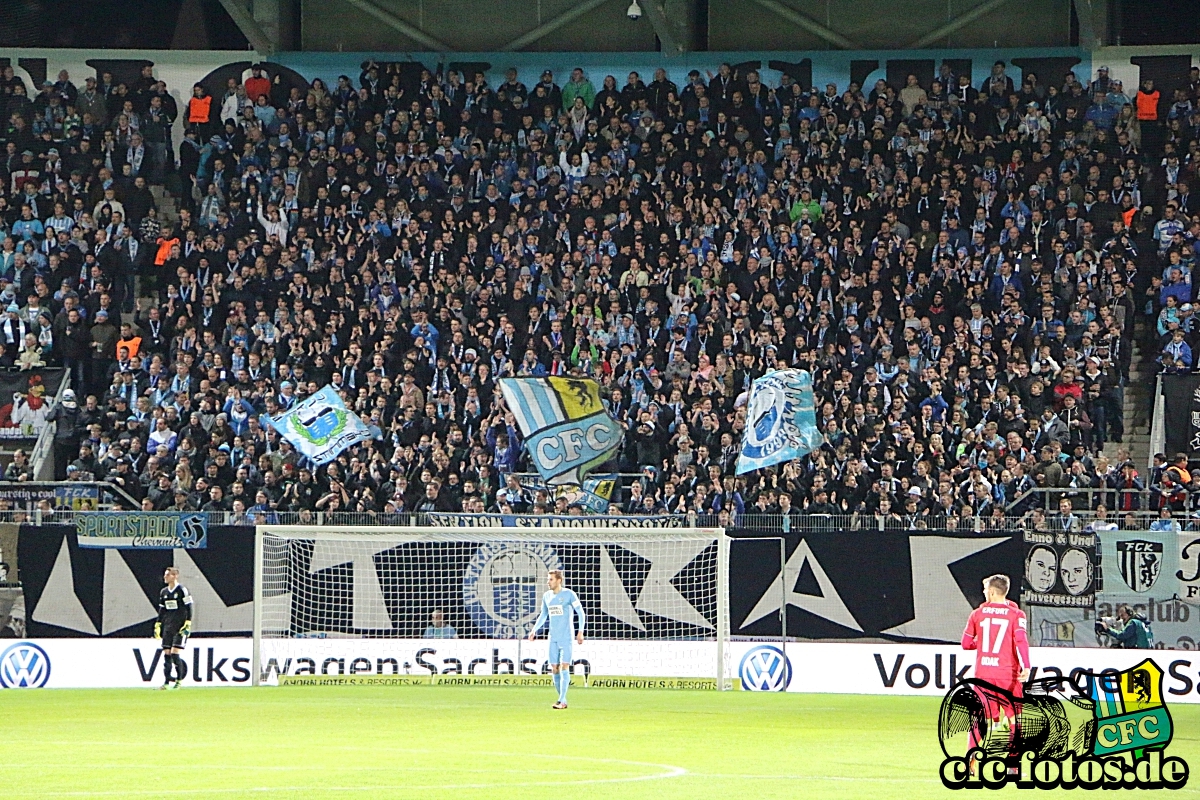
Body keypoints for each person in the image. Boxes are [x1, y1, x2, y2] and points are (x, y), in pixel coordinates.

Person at [961, 574, 1030, 747]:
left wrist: (983, 641)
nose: (984, 593)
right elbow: (1021, 640)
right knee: (1015, 718)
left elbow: (966, 644)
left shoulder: (977, 614)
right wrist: (1027, 666)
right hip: (1008, 674)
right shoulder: (1016, 614)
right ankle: (1013, 764)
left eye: (985, 590)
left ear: (991, 592)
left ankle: (971, 760)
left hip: (984, 674)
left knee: (978, 716)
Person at [527, 569, 585, 709]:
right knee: (554, 667)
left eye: (551, 579)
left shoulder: (569, 594)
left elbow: (581, 612)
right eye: (548, 579)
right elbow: (543, 615)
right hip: (552, 637)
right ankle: (562, 699)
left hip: (566, 637)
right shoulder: (547, 596)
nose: (548, 582)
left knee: (565, 666)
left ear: (559, 580)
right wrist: (534, 630)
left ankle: (562, 700)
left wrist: (580, 631)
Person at [154, 566, 193, 689]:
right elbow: (162, 609)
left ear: (175, 576)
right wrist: (158, 623)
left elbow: (189, 607)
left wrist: (188, 622)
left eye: (167, 575)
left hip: (180, 627)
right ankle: (166, 683)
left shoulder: (182, 590)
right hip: (168, 627)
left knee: (175, 654)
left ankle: (179, 681)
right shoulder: (164, 592)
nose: (165, 577)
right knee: (166, 654)